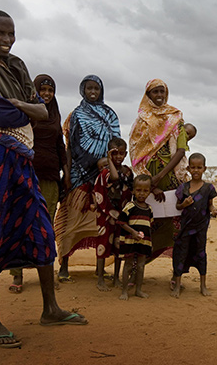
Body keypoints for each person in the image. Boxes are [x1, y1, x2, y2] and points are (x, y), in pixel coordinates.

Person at [0, 10, 86, 349]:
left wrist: (24, 107)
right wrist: (24, 108)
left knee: (40, 227)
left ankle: (50, 308)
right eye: (0, 32)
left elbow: (42, 112)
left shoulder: (17, 66)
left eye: (11, 33)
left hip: (22, 159)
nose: (7, 39)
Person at [53, 75, 121, 283]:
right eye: (89, 88)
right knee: (72, 218)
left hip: (104, 173)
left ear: (101, 91)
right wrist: (68, 172)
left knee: (101, 220)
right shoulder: (76, 115)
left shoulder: (110, 114)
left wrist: (111, 168)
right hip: (78, 174)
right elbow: (70, 146)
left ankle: (101, 264)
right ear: (82, 90)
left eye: (96, 88)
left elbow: (116, 144)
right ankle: (64, 265)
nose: (93, 92)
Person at [8, 74, 67, 294]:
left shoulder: (55, 116)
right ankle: (17, 274)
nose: (47, 94)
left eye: (50, 91)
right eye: (42, 90)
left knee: (46, 226)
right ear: (34, 92)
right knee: (21, 221)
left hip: (51, 177)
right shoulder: (26, 114)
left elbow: (60, 147)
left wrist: (66, 174)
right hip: (25, 174)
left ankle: (47, 274)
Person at [129, 79, 189, 262]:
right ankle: (136, 271)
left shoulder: (175, 117)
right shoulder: (142, 121)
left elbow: (180, 150)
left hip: (171, 178)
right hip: (147, 181)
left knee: (176, 230)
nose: (159, 95)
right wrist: (151, 185)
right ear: (147, 96)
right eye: (155, 92)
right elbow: (135, 153)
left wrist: (160, 176)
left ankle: (176, 275)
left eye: (162, 91)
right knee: (145, 228)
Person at [171, 153, 217, 298]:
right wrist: (184, 204)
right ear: (188, 168)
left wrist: (214, 210)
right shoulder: (183, 188)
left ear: (204, 168)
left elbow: (210, 206)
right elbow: (178, 207)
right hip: (185, 228)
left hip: (200, 228)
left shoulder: (208, 188)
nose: (196, 170)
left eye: (199, 167)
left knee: (201, 253)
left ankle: (203, 286)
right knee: (181, 254)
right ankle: (177, 286)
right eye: (193, 167)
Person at [93, 137, 133, 291]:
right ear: (109, 154)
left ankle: (116, 277)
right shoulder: (105, 172)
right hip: (105, 214)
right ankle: (100, 279)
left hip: (121, 214)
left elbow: (131, 189)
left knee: (119, 245)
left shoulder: (127, 171)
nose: (118, 157)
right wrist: (108, 160)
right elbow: (114, 178)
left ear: (126, 154)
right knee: (102, 244)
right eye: (114, 154)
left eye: (121, 153)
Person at [117, 174, 154, 300]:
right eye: (138, 190)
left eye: (145, 191)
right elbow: (121, 222)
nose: (142, 194)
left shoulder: (149, 209)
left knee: (140, 266)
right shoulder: (130, 206)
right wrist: (133, 232)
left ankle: (138, 290)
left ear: (149, 192)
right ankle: (124, 291)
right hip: (130, 240)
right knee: (128, 265)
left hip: (143, 242)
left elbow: (150, 224)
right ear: (133, 191)